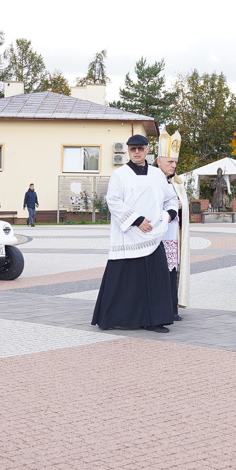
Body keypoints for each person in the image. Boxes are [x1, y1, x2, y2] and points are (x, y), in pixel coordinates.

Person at [92, 134, 177, 333]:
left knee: (155, 278)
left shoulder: (157, 175)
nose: (137, 152)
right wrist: (137, 220)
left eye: (140, 148)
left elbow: (171, 199)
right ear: (128, 151)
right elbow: (113, 201)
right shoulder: (120, 174)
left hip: (154, 235)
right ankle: (114, 318)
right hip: (129, 234)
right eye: (133, 149)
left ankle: (155, 320)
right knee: (125, 279)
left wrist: (169, 215)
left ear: (148, 149)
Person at [155, 130, 190, 320]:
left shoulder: (177, 183)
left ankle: (172, 308)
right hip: (157, 235)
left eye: (175, 162)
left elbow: (185, 209)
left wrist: (181, 206)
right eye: (170, 162)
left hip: (173, 234)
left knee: (172, 271)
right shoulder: (151, 181)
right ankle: (162, 308)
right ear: (159, 161)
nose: (173, 165)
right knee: (160, 271)